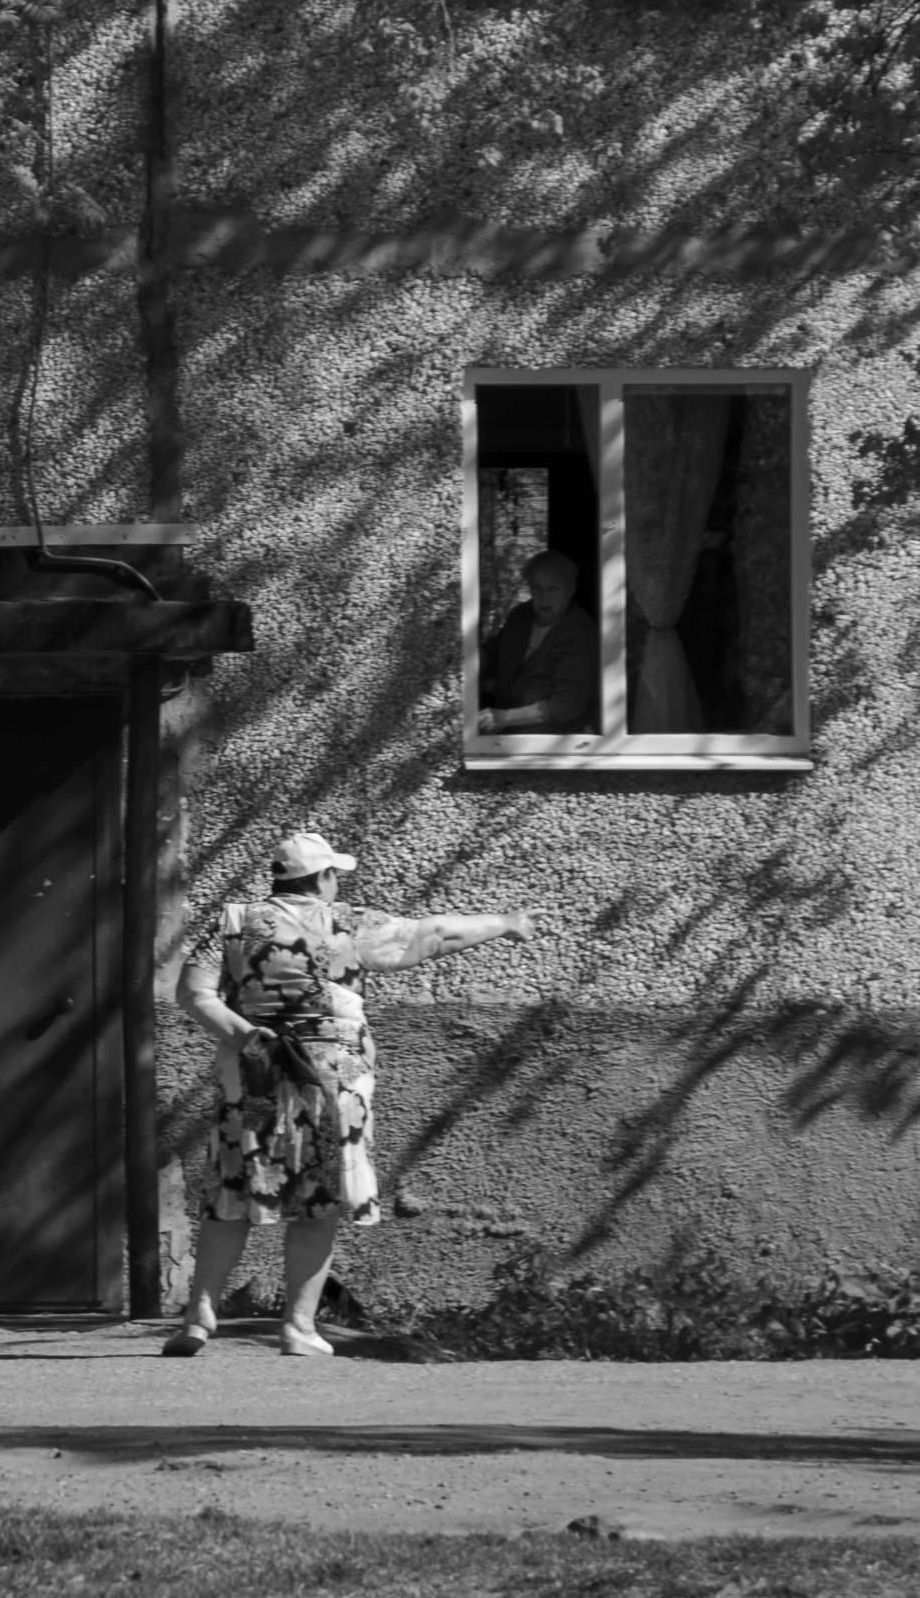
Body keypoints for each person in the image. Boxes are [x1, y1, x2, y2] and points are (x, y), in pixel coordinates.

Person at [166, 829, 539, 1358]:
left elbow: (193, 993)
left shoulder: (232, 922)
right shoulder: (347, 923)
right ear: (322, 878)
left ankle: (199, 1314)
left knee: (233, 1184)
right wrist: (505, 924)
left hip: (252, 1069)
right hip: (332, 1070)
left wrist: (246, 1034)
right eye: (335, 874)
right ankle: (297, 1328)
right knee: (322, 1197)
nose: (337, 882)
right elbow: (433, 936)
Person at [478, 547, 598, 733]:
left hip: (553, 743)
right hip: (505, 739)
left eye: (553, 589)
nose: (544, 597)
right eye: (537, 588)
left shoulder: (579, 632)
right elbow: (492, 655)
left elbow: (567, 704)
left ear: (571, 590)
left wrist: (503, 718)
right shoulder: (521, 617)